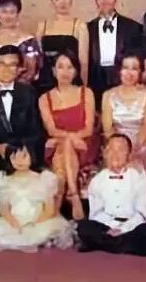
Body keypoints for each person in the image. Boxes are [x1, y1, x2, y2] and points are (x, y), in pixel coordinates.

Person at [0, 45, 42, 222]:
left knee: (27, 161)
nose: (6, 69)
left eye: (12, 64)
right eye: (2, 64)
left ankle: (26, 216)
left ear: (19, 69)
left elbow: (35, 129)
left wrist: (15, 147)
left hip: (21, 148)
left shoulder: (29, 93)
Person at [0, 143, 74, 252]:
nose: (19, 161)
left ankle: (37, 236)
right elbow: (4, 209)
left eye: (24, 156)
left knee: (48, 230)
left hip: (38, 221)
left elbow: (49, 209)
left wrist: (35, 223)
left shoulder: (43, 179)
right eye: (14, 157)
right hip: (15, 221)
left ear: (32, 156)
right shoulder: (5, 181)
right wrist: (13, 223)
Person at [38, 51, 98, 221]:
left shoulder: (86, 92)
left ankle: (55, 212)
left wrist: (70, 138)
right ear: (53, 71)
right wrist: (69, 139)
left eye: (70, 67)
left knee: (64, 147)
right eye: (60, 67)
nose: (65, 72)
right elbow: (51, 130)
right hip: (60, 145)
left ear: (76, 71)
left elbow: (88, 128)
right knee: (64, 149)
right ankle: (73, 193)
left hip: (84, 143)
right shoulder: (44, 98)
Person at [77, 134, 146, 257]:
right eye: (111, 150)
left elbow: (143, 213)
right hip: (107, 227)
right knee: (84, 227)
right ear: (105, 153)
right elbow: (96, 213)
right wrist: (110, 229)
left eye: (120, 150)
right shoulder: (97, 181)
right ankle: (125, 246)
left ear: (129, 155)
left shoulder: (139, 179)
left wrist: (123, 229)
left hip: (131, 227)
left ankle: (108, 245)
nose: (115, 154)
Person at [87, 0, 143, 109]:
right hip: (96, 81)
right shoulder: (87, 28)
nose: (105, 1)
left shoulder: (133, 27)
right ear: (95, 0)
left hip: (123, 79)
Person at [101, 53, 146, 169]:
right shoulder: (108, 95)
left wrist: (133, 150)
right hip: (116, 145)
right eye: (125, 68)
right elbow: (108, 129)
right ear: (119, 71)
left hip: (141, 144)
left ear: (140, 72)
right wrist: (120, 149)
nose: (129, 73)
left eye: (134, 69)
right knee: (116, 161)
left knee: (136, 166)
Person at [36, 0, 89, 91]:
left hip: (71, 82)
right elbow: (38, 59)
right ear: (51, 1)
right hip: (45, 83)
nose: (62, 2)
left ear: (71, 0)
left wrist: (84, 89)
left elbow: (83, 62)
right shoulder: (42, 26)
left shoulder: (79, 25)